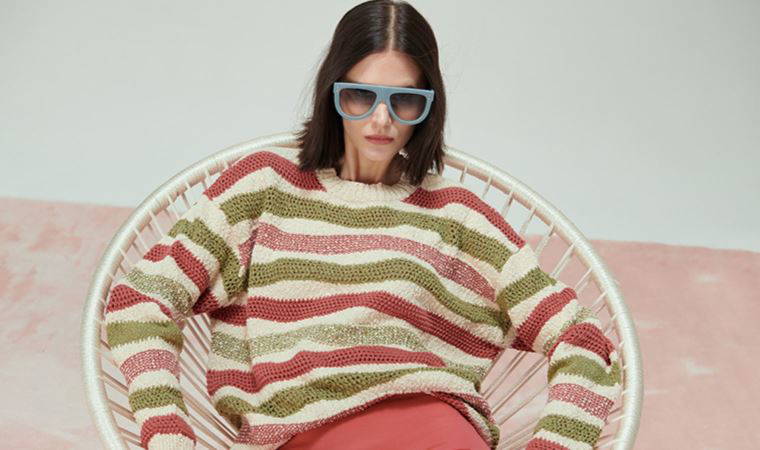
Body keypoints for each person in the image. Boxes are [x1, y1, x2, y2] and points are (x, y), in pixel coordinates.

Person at [103, 1, 622, 449]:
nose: (380, 120)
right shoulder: (264, 187)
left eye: (404, 100)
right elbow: (140, 301)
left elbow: (582, 338)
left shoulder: (457, 216)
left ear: (429, 107)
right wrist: (166, 429)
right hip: (298, 434)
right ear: (332, 93)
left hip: (437, 429)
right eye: (360, 96)